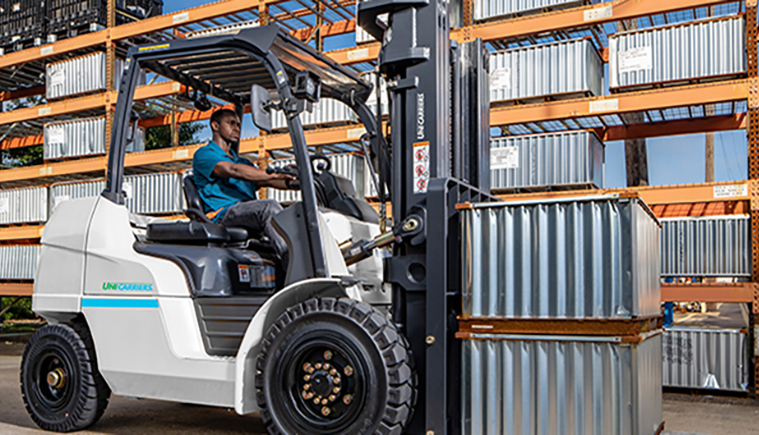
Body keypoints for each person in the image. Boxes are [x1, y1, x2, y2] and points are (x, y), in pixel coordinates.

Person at [192, 108, 294, 266]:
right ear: (215, 126)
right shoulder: (205, 154)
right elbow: (233, 170)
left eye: (239, 125)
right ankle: (295, 265)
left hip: (248, 213)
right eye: (231, 123)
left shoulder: (244, 163)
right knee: (268, 207)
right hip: (223, 215)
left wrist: (296, 182)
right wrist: (274, 174)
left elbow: (266, 181)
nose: (237, 128)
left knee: (297, 212)